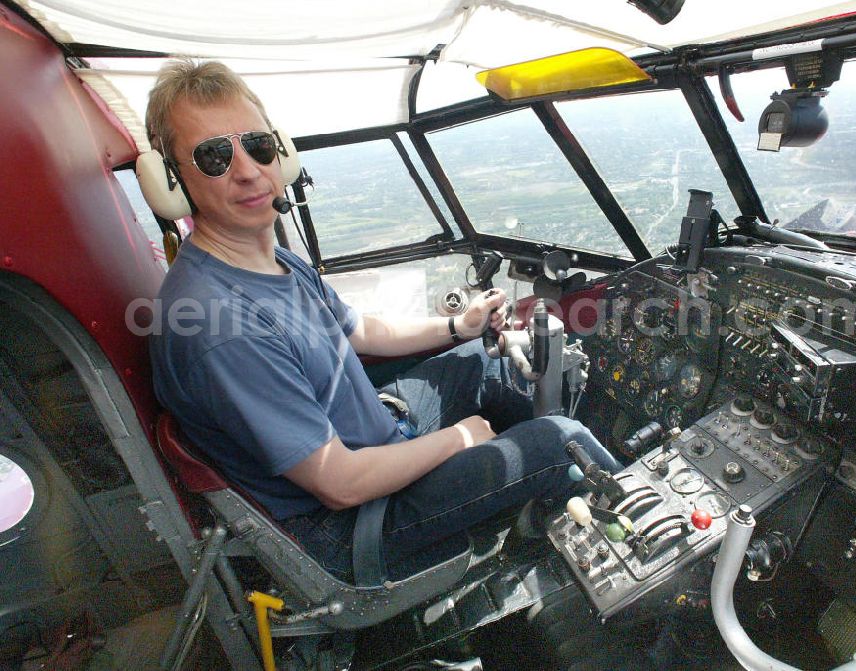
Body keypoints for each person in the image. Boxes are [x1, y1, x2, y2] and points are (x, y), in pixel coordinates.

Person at [146, 59, 620, 582]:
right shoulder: (220, 324)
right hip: (348, 523)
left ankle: (551, 509)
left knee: (487, 362)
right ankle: (635, 548)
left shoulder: (275, 262)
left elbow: (362, 331)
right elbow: (340, 484)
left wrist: (456, 329)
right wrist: (460, 438)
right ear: (173, 180)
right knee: (559, 442)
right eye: (213, 156)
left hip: (377, 435)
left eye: (256, 146)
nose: (248, 170)